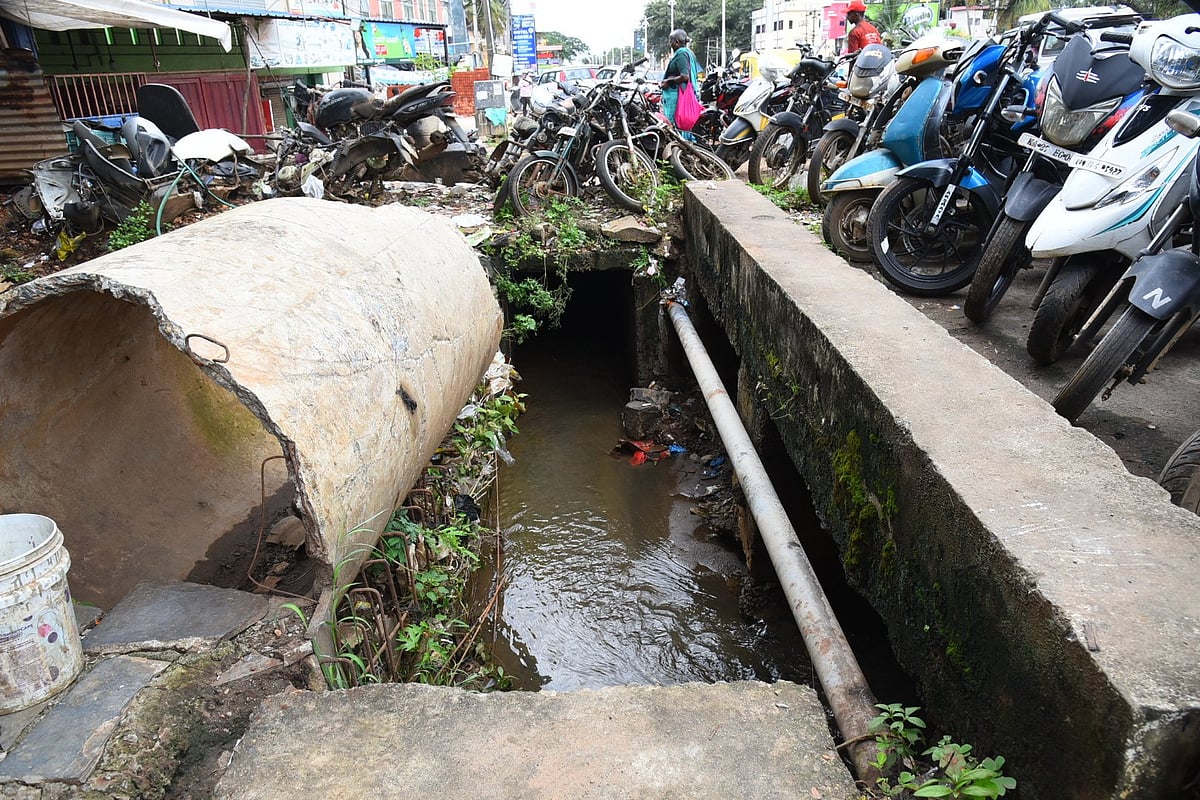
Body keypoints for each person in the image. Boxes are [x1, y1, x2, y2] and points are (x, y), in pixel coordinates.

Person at [659, 28, 700, 138]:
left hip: (678, 97)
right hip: (683, 95)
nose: (670, 43)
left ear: (676, 42)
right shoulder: (689, 53)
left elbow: (685, 76)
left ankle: (678, 150)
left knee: (675, 128)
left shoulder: (681, 54)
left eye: (671, 40)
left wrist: (668, 80)